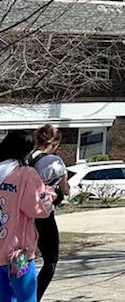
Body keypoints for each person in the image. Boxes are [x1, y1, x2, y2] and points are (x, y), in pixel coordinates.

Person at [0, 131, 55, 302]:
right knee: (25, 297)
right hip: (17, 253)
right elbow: (37, 209)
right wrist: (49, 195)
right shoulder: (26, 174)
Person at [29, 126, 68, 302]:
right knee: (50, 260)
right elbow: (65, 189)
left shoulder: (26, 157)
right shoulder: (55, 162)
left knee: (23, 257)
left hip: (23, 215)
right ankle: (34, 297)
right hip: (44, 215)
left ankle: (20, 295)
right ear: (54, 142)